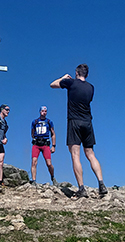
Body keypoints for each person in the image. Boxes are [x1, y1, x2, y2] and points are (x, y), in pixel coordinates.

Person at [50, 64, 107, 198]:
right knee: (90, 154)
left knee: (75, 155)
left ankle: (81, 188)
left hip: (74, 121)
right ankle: (101, 183)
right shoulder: (91, 87)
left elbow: (52, 85)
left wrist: (63, 77)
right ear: (87, 74)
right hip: (87, 122)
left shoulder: (70, 83)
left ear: (76, 73)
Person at [30, 106, 57, 185]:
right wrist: (35, 139)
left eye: (45, 111)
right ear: (40, 112)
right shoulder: (35, 122)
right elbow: (32, 132)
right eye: (42, 111)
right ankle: (34, 180)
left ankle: (53, 177)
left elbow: (53, 134)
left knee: (49, 163)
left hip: (45, 144)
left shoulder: (49, 122)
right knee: (34, 162)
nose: (44, 112)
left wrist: (53, 145)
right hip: (36, 144)